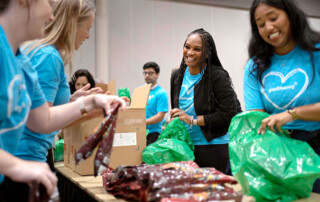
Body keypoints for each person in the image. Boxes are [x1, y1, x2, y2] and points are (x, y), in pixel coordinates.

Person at [0, 0, 125, 200]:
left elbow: (42, 119)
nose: (52, 17)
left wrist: (90, 103)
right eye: (49, 4)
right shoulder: (43, 56)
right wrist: (15, 165)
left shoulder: (21, 59)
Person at [243, 0, 320, 192]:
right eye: (261, 24)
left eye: (273, 17)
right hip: (278, 154)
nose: (269, 27)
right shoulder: (255, 67)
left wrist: (293, 114)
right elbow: (257, 118)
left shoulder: (316, 53)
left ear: (290, 15)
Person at [15, 0, 102, 167]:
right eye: (87, 28)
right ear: (72, 24)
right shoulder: (49, 57)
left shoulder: (37, 50)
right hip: (29, 156)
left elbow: (36, 108)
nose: (88, 35)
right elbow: (41, 122)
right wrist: (89, 108)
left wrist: (70, 102)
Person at [170, 28, 242, 173]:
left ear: (207, 53)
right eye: (187, 47)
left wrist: (192, 120)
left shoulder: (217, 76)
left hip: (214, 147)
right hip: (186, 147)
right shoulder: (177, 76)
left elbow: (229, 114)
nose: (190, 52)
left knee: (213, 193)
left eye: (197, 49)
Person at [143, 62, 169, 145]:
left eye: (150, 73)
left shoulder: (161, 93)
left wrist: (142, 122)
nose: (147, 75)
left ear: (157, 74)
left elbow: (160, 116)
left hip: (153, 133)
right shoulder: (140, 90)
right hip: (140, 131)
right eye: (145, 73)